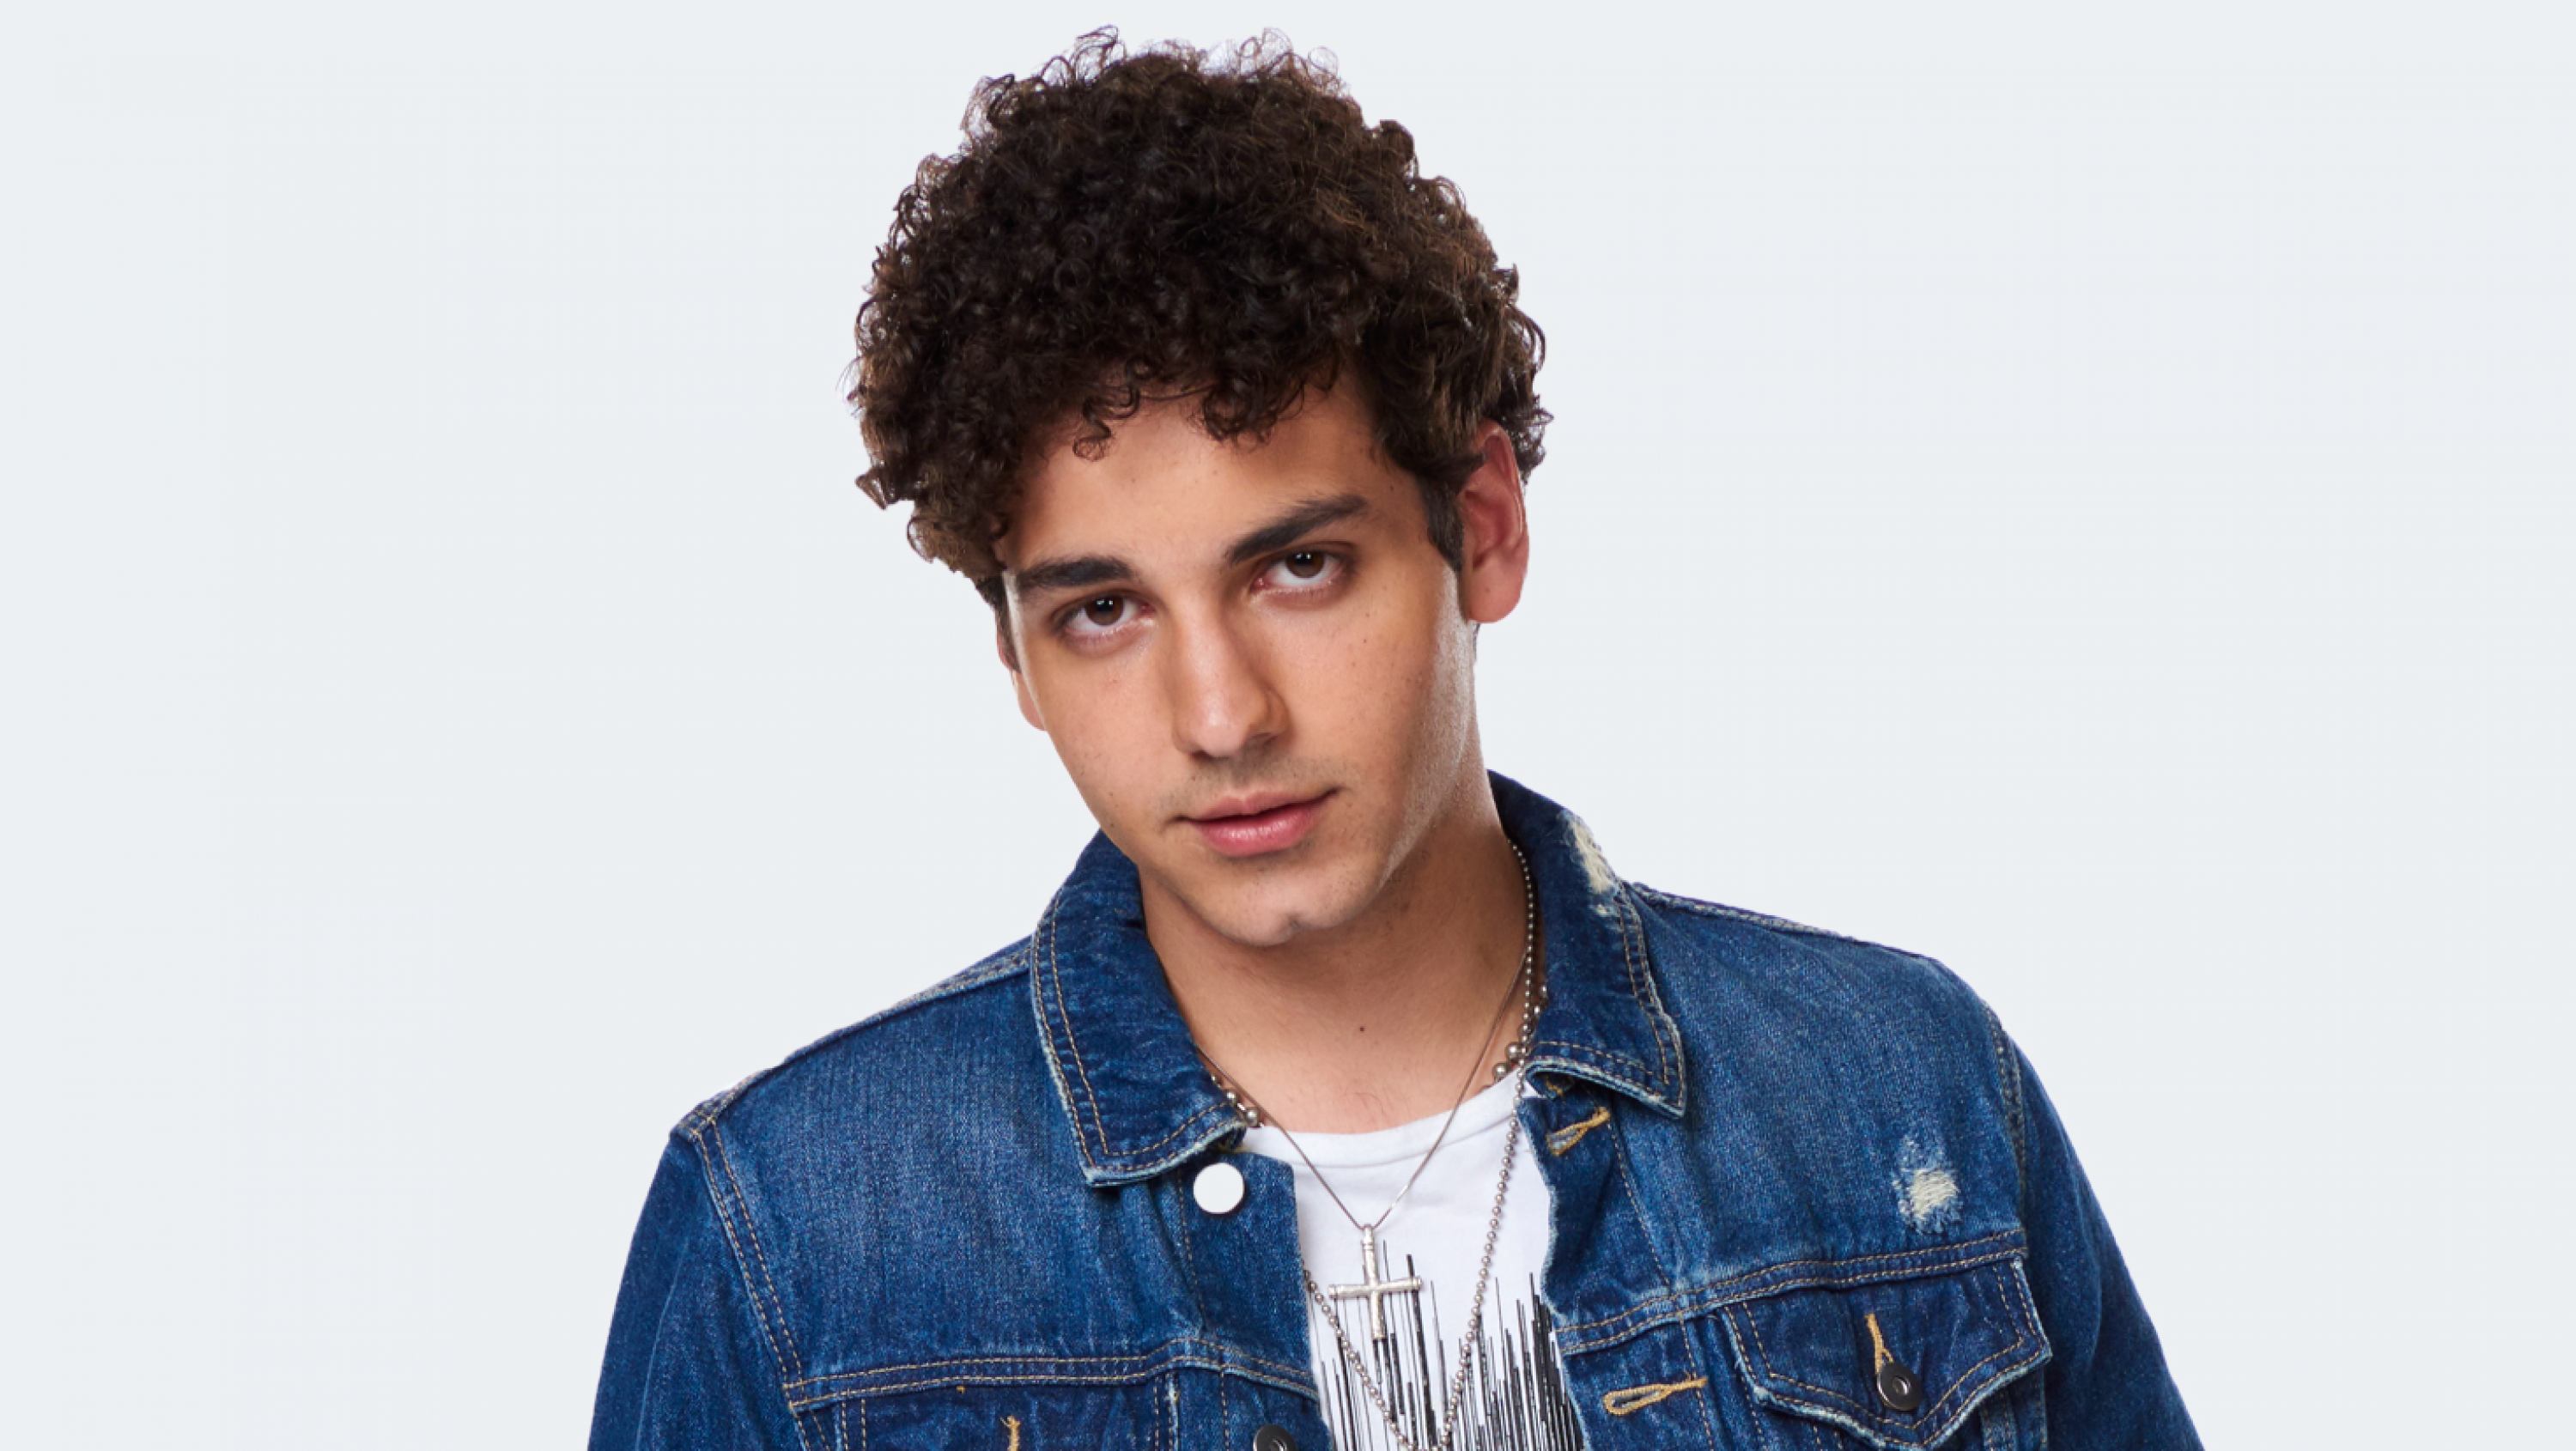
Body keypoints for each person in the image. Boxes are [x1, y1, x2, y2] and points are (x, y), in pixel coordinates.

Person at [587, 28, 2199, 1451]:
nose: (1221, 716)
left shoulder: (1895, 1096)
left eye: (1297, 568)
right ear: (1015, 647)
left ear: (1480, 528)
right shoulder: (800, 1234)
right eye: (1104, 609)